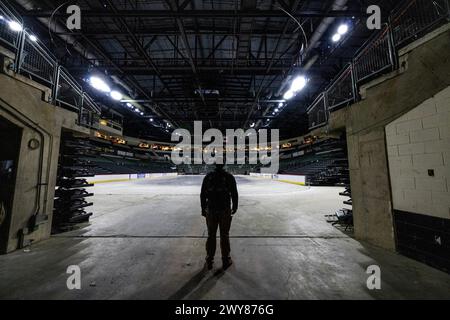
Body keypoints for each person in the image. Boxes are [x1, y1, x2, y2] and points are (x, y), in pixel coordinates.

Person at [200, 164, 238, 270]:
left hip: (211, 210)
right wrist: (235, 206)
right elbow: (234, 193)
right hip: (225, 210)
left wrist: (203, 208)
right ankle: (225, 259)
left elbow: (202, 194)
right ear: (224, 165)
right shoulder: (229, 177)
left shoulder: (208, 176)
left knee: (211, 235)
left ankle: (209, 260)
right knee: (224, 235)